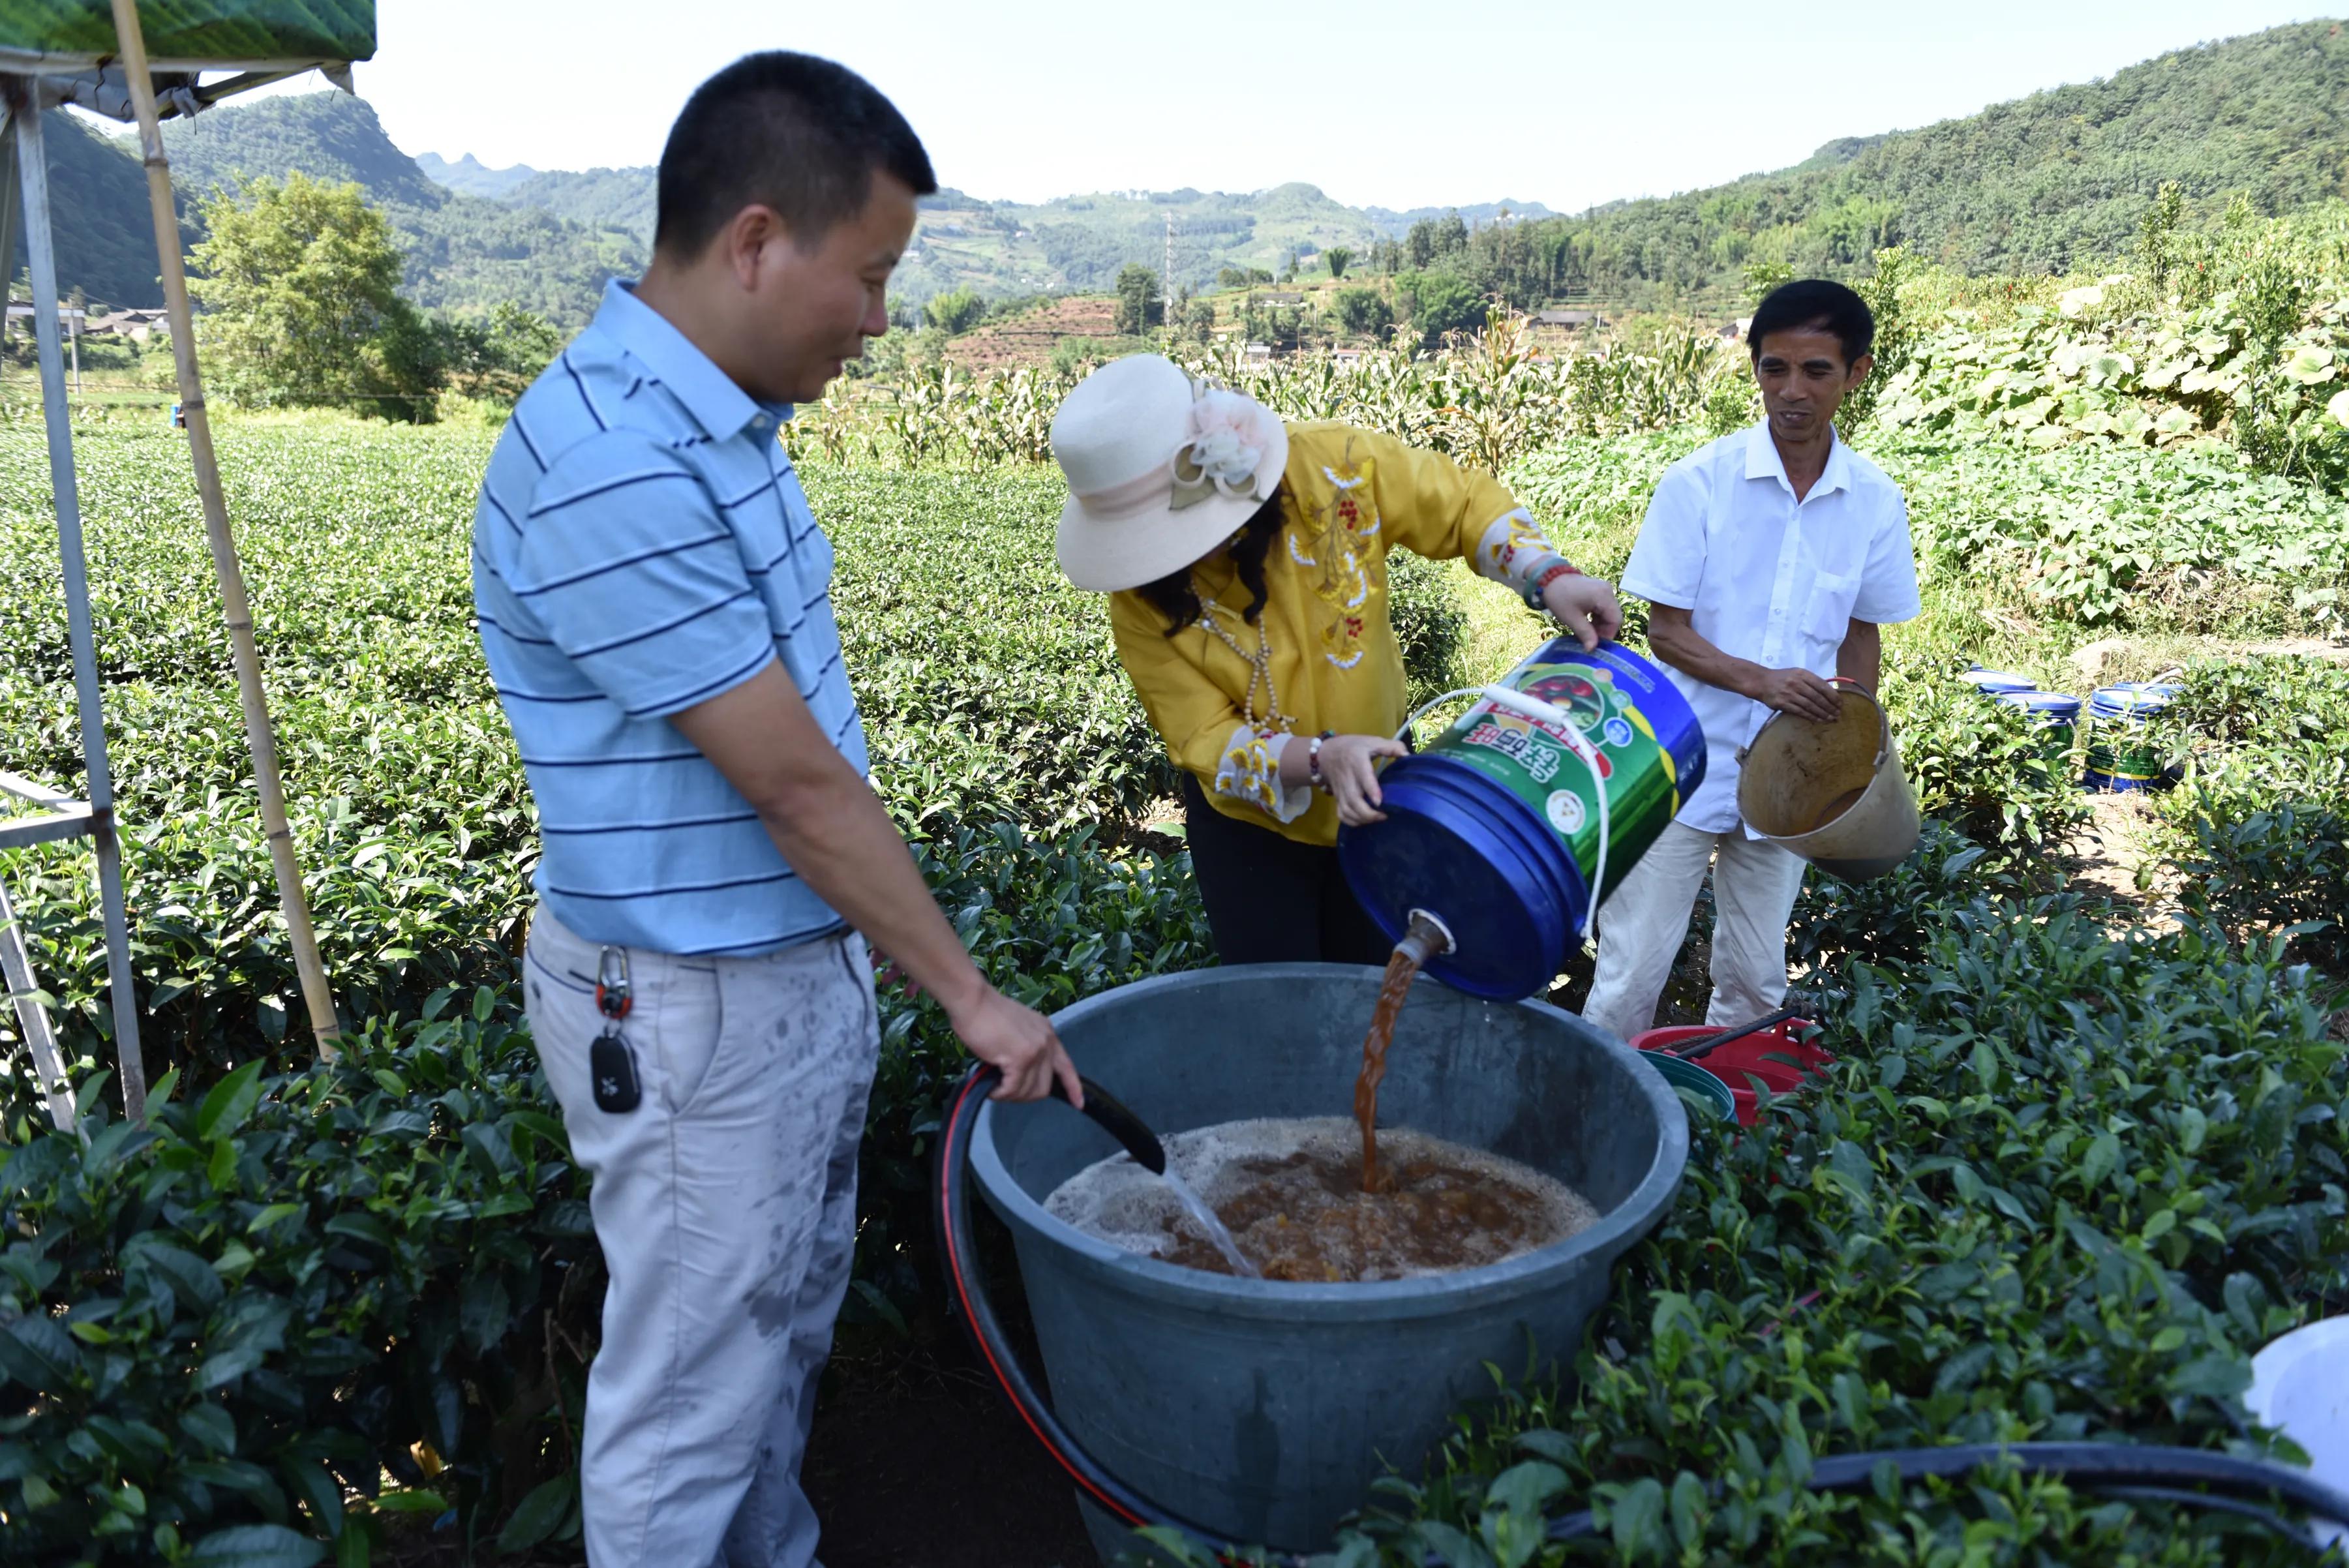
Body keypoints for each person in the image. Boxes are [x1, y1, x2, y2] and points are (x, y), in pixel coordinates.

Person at [470, 53, 1079, 1568]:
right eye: (869, 275)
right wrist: (969, 994)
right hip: (692, 1006)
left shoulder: (712, 422)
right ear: (755, 242)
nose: (880, 320)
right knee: (691, 1391)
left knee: (770, 1336)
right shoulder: (616, 461)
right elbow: (796, 782)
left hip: (775, 974)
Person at [1049, 355, 1623, 965]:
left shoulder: (1336, 464)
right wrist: (1319, 759)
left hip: (1379, 796)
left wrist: (1547, 573)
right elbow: (1201, 735)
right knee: (1278, 1011)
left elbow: (1458, 504)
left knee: (1372, 980)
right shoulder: (1139, 601)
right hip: (1251, 832)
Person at [1581, 279, 1922, 1042]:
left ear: (1856, 373)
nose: (1791, 391)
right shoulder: (1699, 483)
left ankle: (1739, 1132)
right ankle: (1599, 1126)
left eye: (1816, 371)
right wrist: (1763, 683)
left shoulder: (1872, 501)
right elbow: (1665, 632)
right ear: (1757, 369)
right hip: (1677, 760)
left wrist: (1847, 755)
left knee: (1756, 977)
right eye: (1774, 369)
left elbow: (1860, 634)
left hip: (1789, 783)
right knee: (1632, 969)